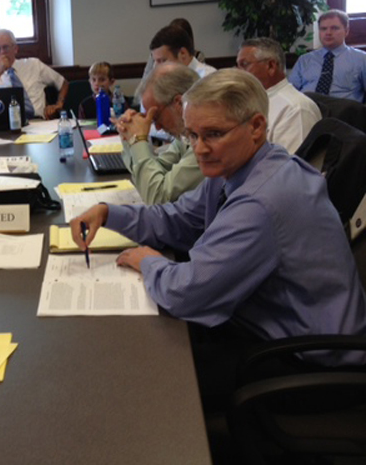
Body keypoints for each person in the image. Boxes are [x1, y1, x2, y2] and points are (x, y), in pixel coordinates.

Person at [71, 69, 366, 398]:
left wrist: (148, 262)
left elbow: (186, 293)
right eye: (193, 135)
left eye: (212, 134)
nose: (199, 149)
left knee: (152, 383)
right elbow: (179, 218)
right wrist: (110, 213)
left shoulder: (261, 201)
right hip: (271, 324)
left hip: (308, 358)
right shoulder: (242, 166)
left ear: (256, 126)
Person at [114, 63, 202, 204]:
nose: (158, 127)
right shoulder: (185, 136)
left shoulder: (204, 143)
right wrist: (128, 135)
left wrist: (138, 141)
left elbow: (157, 197)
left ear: (179, 103)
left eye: (156, 117)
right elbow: (152, 172)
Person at [237, 37, 321, 153]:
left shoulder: (295, 109)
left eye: (244, 65)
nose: (238, 72)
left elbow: (291, 167)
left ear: (271, 66)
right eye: (238, 66)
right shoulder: (253, 101)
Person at [0, 29, 68, 120]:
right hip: (4, 125)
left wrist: (59, 104)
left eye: (6, 47)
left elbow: (63, 83)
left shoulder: (34, 64)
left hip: (37, 121)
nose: (2, 52)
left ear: (15, 49)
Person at [289, 9, 366, 102]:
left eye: (334, 28)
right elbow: (290, 92)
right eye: (323, 29)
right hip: (308, 110)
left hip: (342, 112)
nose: (328, 33)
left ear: (346, 31)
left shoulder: (361, 59)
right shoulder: (304, 60)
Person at [134, 18, 207, 105]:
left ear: (183, 53)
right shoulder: (164, 72)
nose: (156, 67)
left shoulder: (206, 78)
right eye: (155, 61)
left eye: (163, 60)